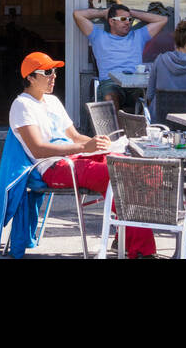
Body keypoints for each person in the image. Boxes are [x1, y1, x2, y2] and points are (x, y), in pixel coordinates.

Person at [9, 52, 156, 259]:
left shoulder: (52, 102)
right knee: (114, 173)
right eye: (48, 72)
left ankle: (125, 237)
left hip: (73, 159)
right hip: (53, 167)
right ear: (30, 78)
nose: (54, 76)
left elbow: (75, 136)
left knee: (130, 166)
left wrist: (96, 143)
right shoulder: (22, 105)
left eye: (56, 71)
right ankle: (141, 249)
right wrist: (82, 148)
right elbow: (38, 149)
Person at [73, 1, 168, 113]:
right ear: (111, 21)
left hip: (135, 84)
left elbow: (163, 20)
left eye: (129, 19)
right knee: (111, 98)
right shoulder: (98, 36)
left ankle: (144, 129)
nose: (128, 22)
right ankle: (118, 130)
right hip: (111, 82)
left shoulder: (138, 36)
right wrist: (104, 12)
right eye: (123, 19)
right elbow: (77, 15)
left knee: (151, 98)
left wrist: (132, 13)